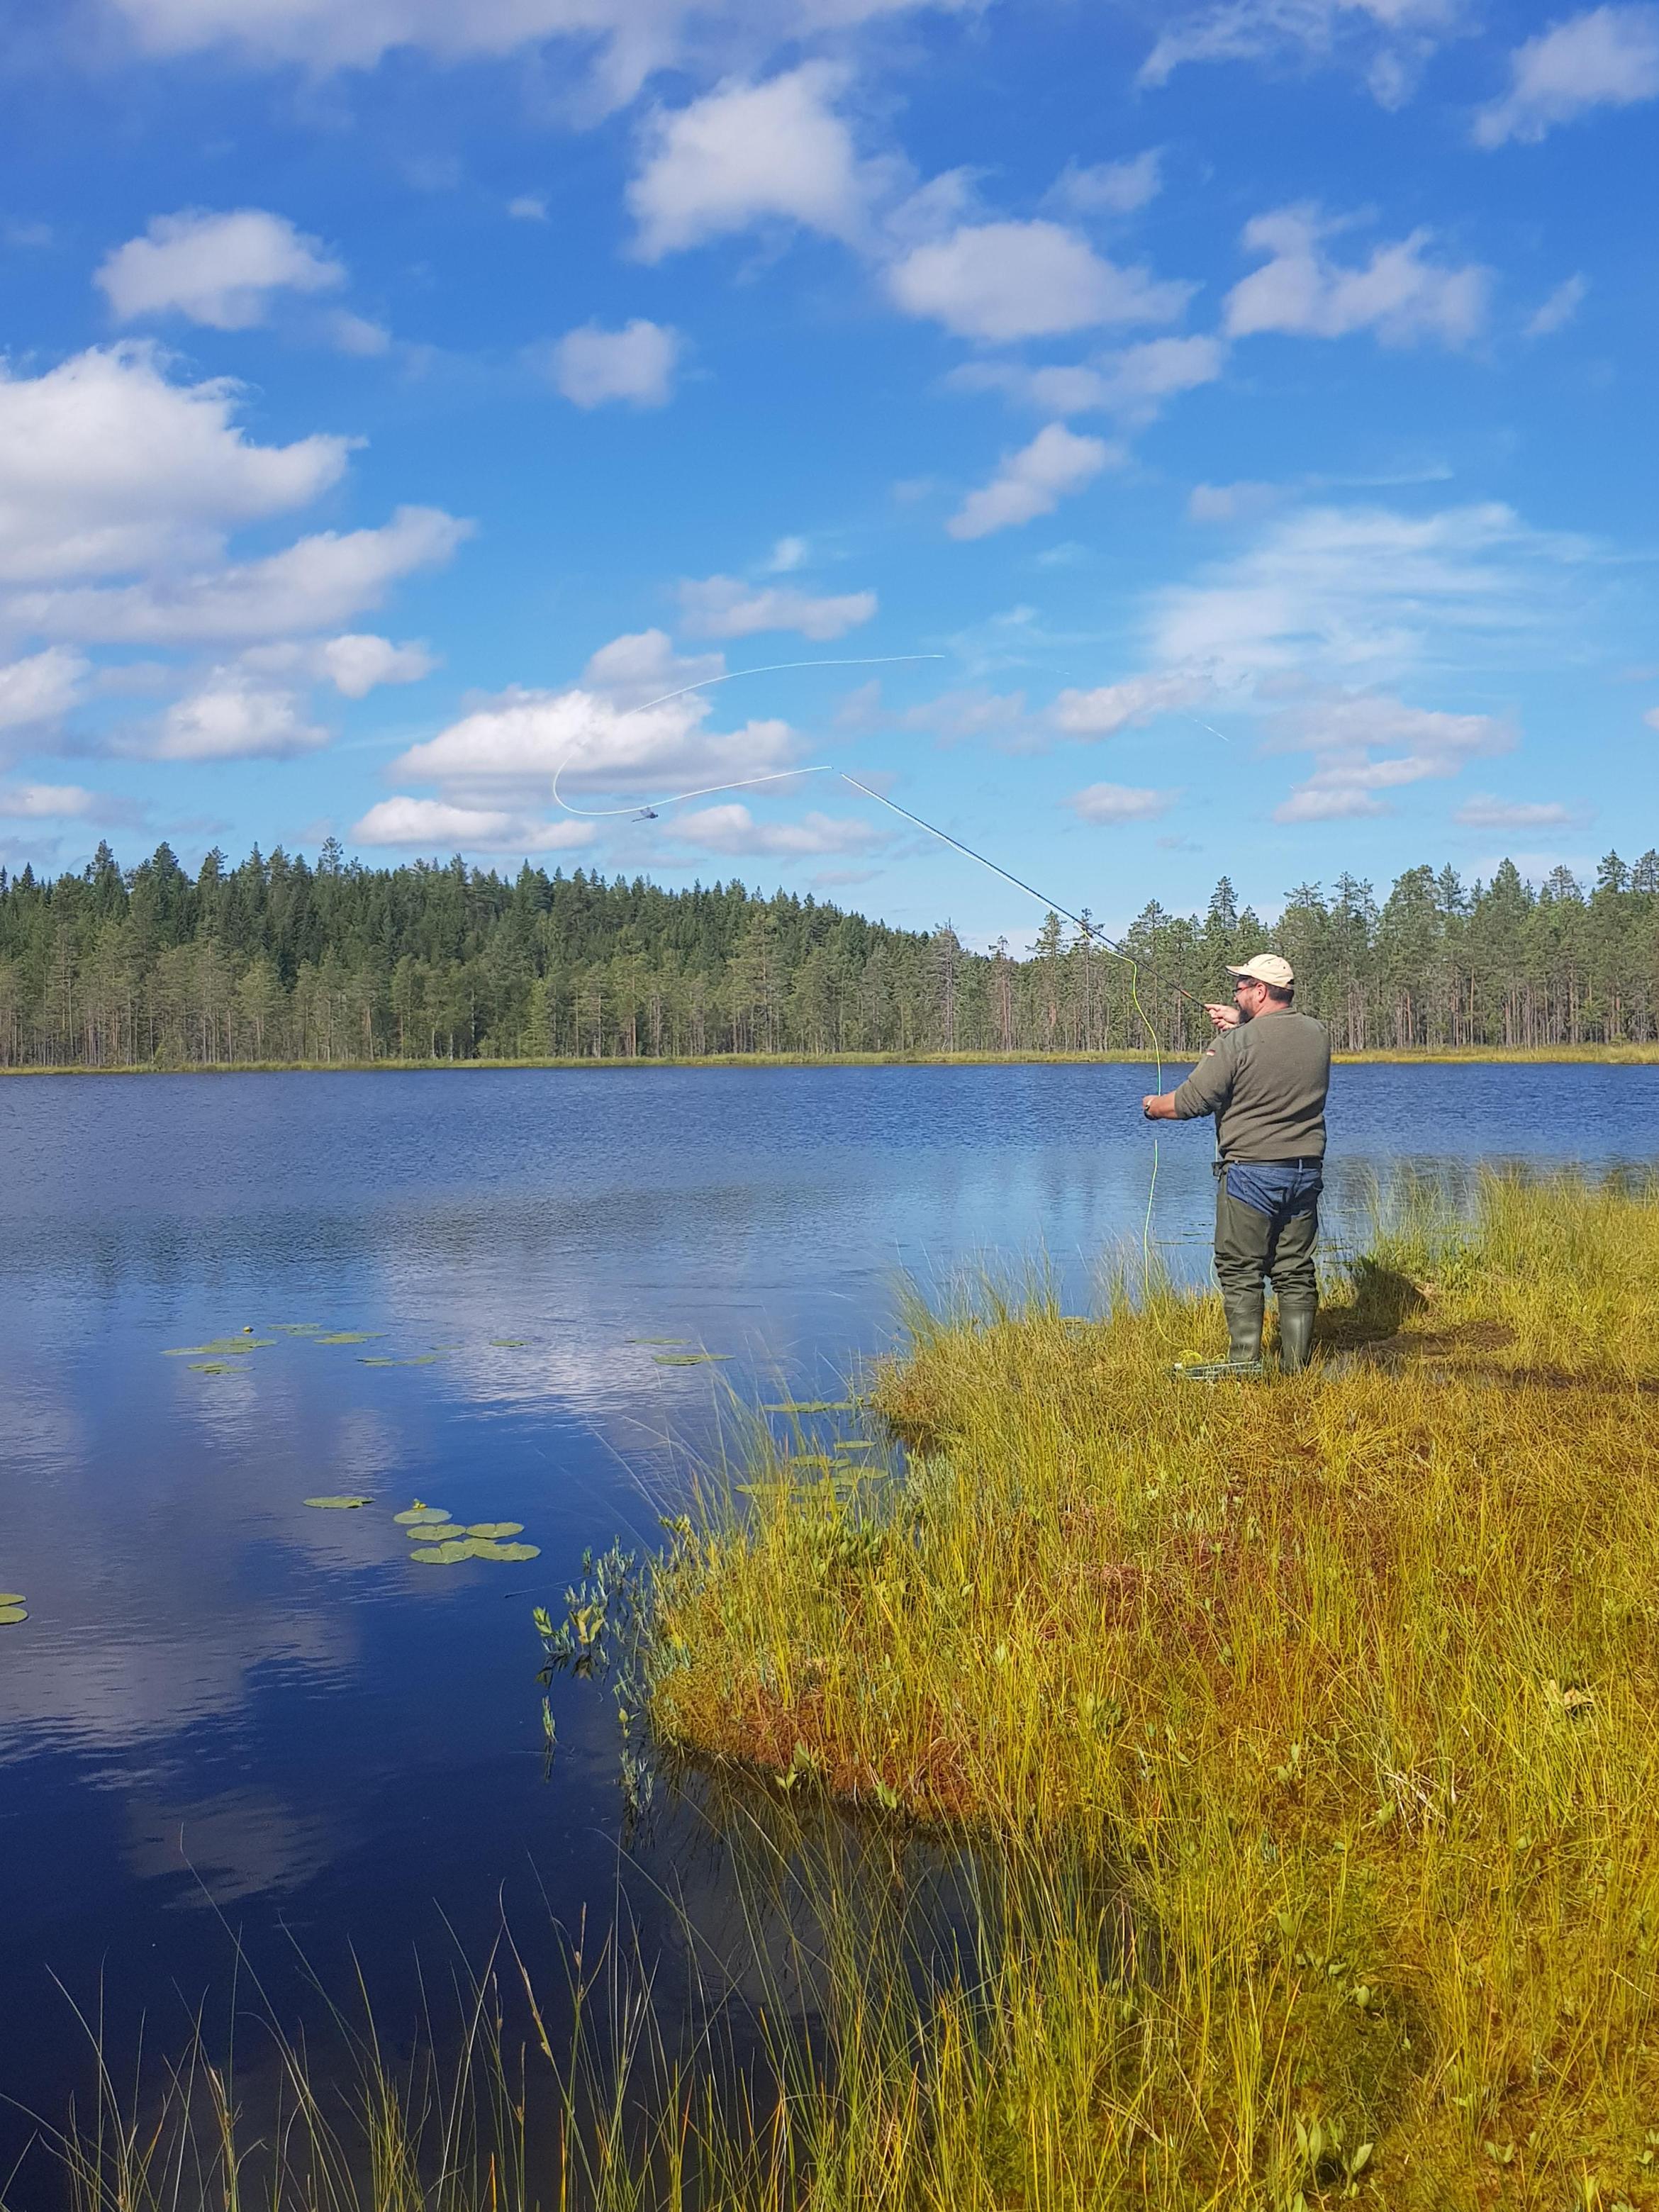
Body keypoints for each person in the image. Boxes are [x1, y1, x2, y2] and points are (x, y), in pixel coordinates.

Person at [1141, 953, 1330, 1374]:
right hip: (1306, 1170)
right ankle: (1294, 1367)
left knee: (1240, 1267)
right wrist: (1244, 1024)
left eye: (1242, 987)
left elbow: (1189, 1102)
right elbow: (1276, 1043)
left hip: (1251, 1174)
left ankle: (1245, 1362)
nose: (1235, 993)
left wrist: (1154, 1107)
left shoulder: (1235, 1043)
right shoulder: (1317, 1034)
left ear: (1261, 991)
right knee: (1294, 1268)